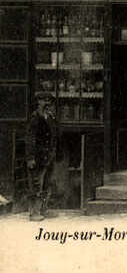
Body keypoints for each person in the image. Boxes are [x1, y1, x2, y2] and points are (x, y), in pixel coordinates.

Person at [26, 92, 59, 221]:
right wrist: (30, 157)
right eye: (43, 101)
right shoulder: (35, 117)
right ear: (38, 102)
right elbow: (30, 138)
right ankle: (34, 212)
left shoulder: (50, 117)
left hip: (49, 156)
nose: (47, 103)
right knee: (36, 184)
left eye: (48, 101)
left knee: (47, 184)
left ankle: (44, 209)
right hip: (38, 156)